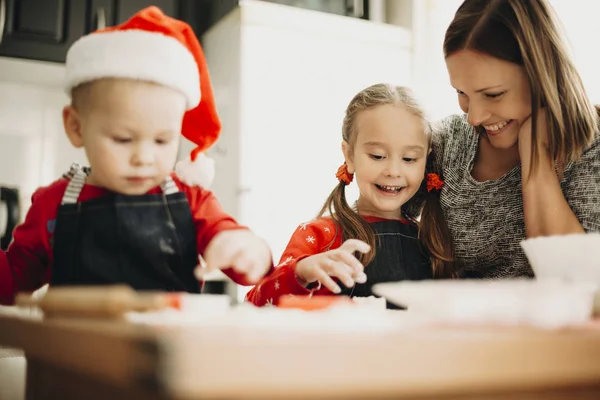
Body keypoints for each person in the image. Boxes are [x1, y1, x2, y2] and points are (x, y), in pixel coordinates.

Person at [0, 7, 272, 305]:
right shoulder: (51, 205)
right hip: (70, 351)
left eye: (162, 140)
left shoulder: (193, 200)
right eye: (123, 139)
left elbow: (246, 261)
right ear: (76, 127)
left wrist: (247, 250)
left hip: (165, 349)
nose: (144, 157)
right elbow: (12, 285)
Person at [432, 0, 600, 279]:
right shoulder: (450, 141)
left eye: (493, 94)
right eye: (461, 93)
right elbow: (368, 220)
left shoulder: (592, 147)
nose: (474, 117)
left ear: (541, 74)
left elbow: (580, 282)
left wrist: (536, 151)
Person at [246, 84, 455, 307]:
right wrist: (301, 273)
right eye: (377, 156)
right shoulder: (320, 235)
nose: (393, 171)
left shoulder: (432, 241)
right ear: (350, 156)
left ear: (426, 161)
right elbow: (256, 303)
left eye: (409, 159)